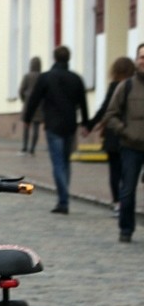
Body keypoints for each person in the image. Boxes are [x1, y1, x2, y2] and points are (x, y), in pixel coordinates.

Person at [24, 45, 89, 215]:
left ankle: (63, 200)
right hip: (70, 125)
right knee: (66, 162)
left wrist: (27, 119)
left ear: (54, 58)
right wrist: (86, 124)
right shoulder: (76, 78)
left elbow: (34, 98)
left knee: (58, 163)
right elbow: (83, 102)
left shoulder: (46, 77)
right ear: (68, 58)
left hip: (53, 125)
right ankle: (63, 198)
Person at [103, 43, 144, 243]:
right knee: (127, 190)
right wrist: (125, 131)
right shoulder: (126, 86)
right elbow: (111, 115)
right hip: (131, 147)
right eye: (142, 57)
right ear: (136, 60)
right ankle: (126, 229)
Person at [86, 56, 135, 217]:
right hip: (129, 134)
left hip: (114, 135)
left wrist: (90, 125)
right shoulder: (133, 86)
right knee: (127, 173)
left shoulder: (115, 86)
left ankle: (117, 203)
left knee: (115, 172)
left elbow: (105, 109)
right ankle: (126, 202)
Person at [18, 57, 43, 156]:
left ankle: (24, 147)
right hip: (39, 106)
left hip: (28, 104)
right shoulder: (41, 77)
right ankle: (32, 148)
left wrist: (24, 99)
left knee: (26, 127)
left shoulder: (27, 76)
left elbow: (21, 90)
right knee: (36, 128)